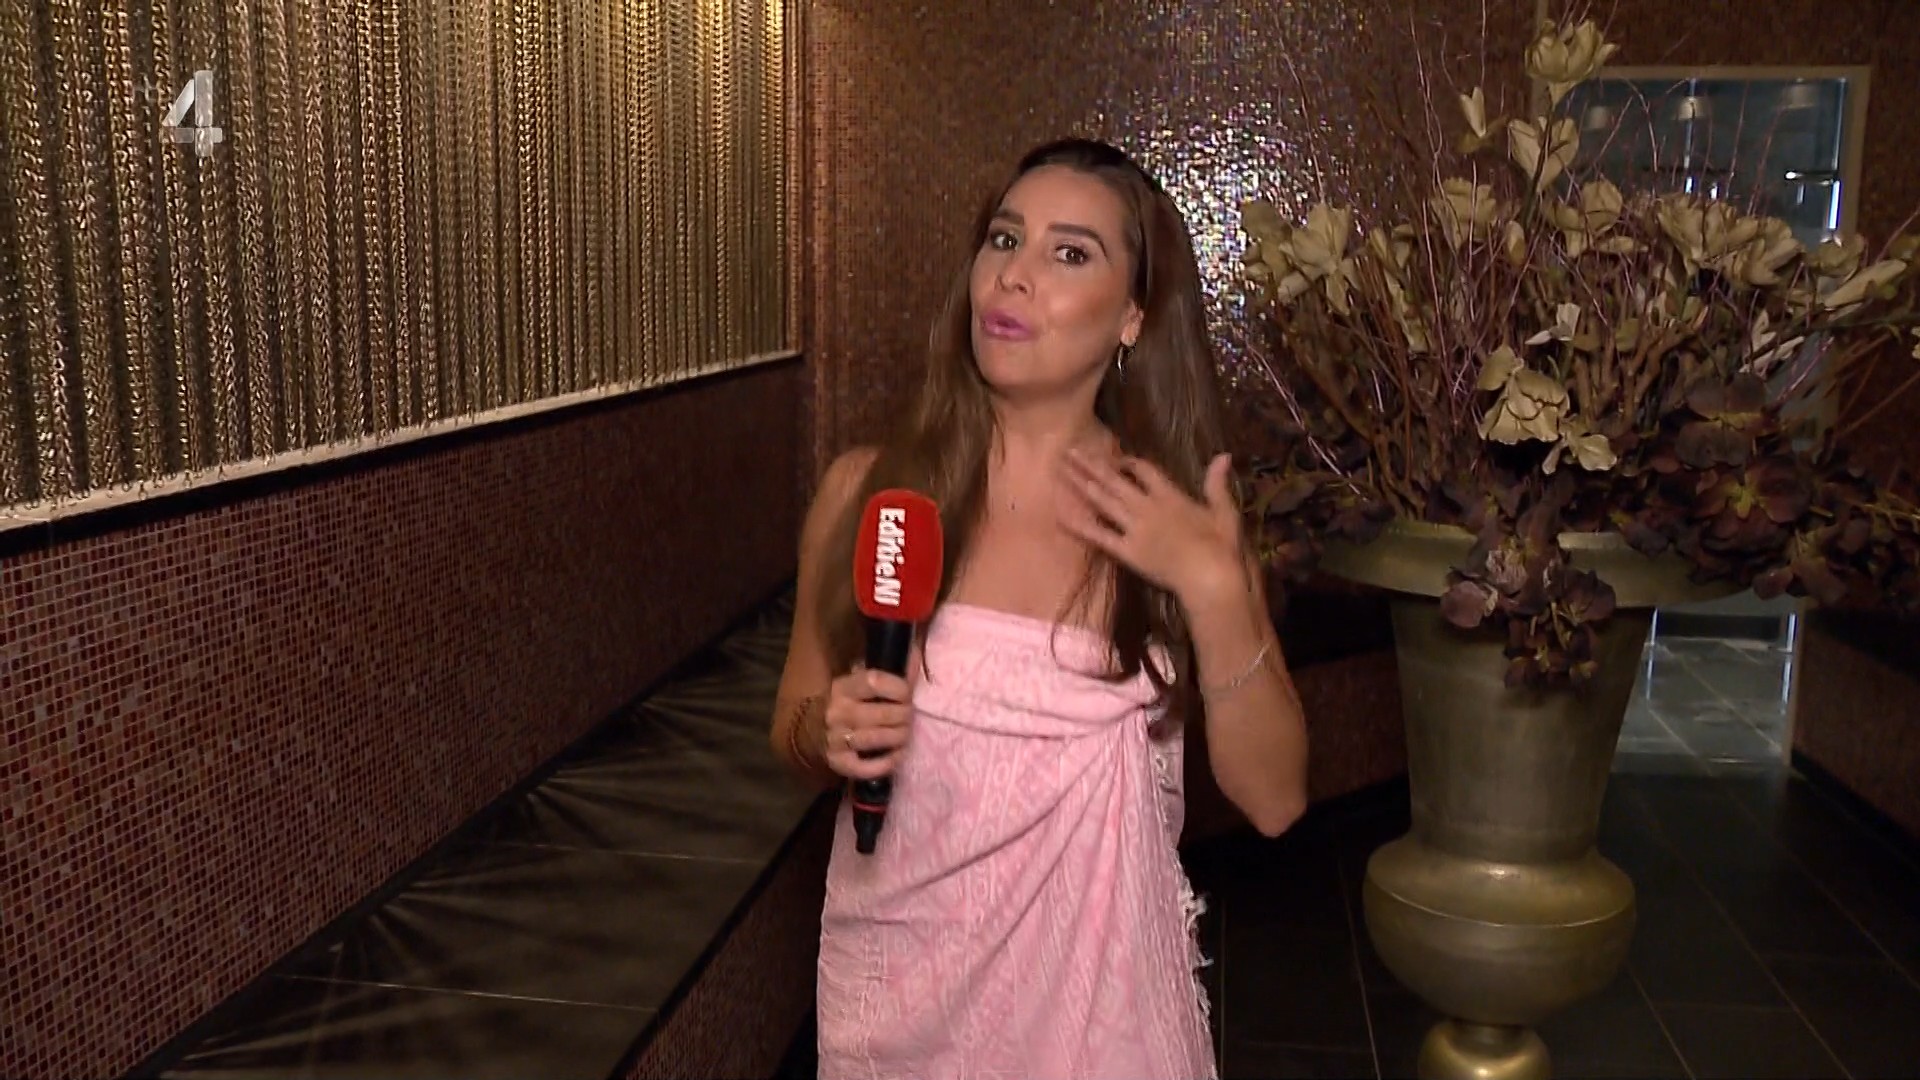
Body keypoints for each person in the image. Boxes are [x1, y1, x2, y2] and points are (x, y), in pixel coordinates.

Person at [769, 136, 1310, 1080]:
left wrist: (1216, 591)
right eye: (1004, 238)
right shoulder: (868, 494)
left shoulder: (1177, 524)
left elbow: (1274, 803)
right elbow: (792, 728)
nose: (1015, 274)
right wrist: (829, 730)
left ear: (1133, 316)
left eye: (1070, 253)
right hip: (895, 1015)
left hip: (1106, 1034)